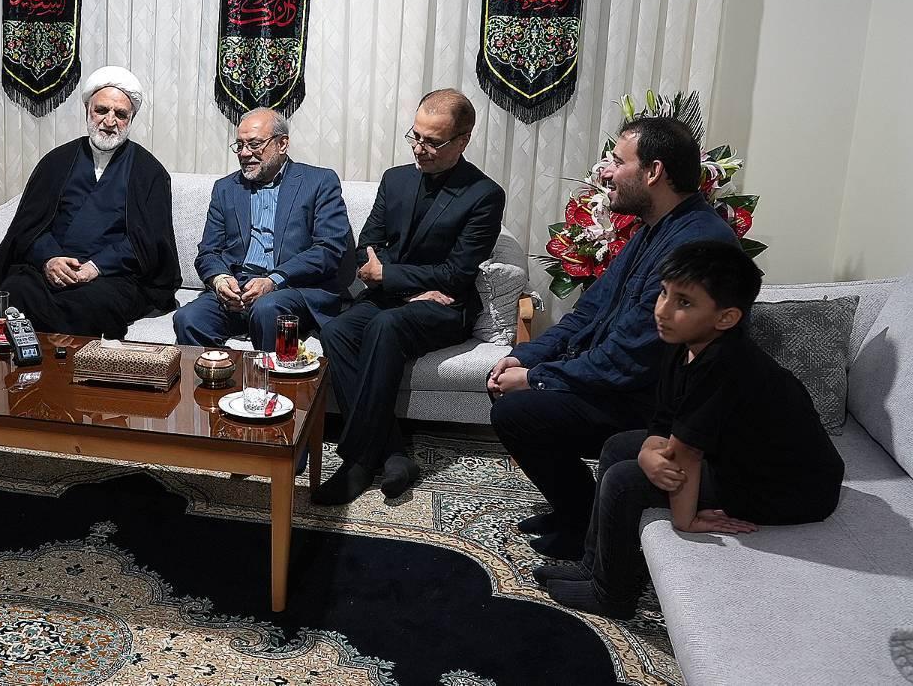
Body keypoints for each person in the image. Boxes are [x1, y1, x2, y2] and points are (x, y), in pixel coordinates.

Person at [539, 240, 845, 618]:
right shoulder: (681, 342)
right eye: (663, 293)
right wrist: (649, 452)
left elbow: (688, 452)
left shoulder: (726, 363)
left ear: (726, 318)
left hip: (788, 487)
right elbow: (664, 420)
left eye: (683, 302)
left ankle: (611, 594)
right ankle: (593, 565)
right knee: (618, 446)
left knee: (624, 481)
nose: (663, 310)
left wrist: (687, 520)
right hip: (735, 455)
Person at [488, 115, 736, 559]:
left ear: (654, 172)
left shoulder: (696, 244)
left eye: (618, 162)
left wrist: (537, 378)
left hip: (654, 402)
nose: (606, 172)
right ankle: (576, 511)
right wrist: (526, 356)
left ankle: (583, 523)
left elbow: (633, 359)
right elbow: (589, 310)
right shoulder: (655, 228)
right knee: (509, 388)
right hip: (627, 383)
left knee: (518, 412)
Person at [312, 89, 505, 505]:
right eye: (415, 136)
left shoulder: (484, 195)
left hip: (445, 308)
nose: (419, 148)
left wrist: (391, 275)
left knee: (385, 325)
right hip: (392, 297)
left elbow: (457, 274)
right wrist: (401, 283)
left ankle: (358, 461)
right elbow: (368, 246)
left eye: (432, 142)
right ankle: (394, 454)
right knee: (337, 330)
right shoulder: (395, 179)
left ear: (462, 140)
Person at [0, 66, 180, 338]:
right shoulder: (56, 162)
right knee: (16, 292)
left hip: (113, 276)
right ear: (88, 110)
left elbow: (148, 241)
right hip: (51, 270)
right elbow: (29, 228)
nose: (109, 121)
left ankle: (64, 363)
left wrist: (95, 267)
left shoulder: (149, 172)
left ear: (131, 118)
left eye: (120, 114)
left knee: (93, 304)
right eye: (102, 110)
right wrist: (50, 259)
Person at [173, 107, 354, 352]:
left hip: (294, 290)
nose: (245, 153)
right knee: (188, 318)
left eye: (254, 144)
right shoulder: (226, 188)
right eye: (240, 145)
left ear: (282, 144)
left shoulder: (319, 182)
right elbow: (208, 252)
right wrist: (220, 280)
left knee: (267, 309)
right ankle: (222, 376)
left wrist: (273, 280)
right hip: (240, 291)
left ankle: (273, 376)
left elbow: (329, 249)